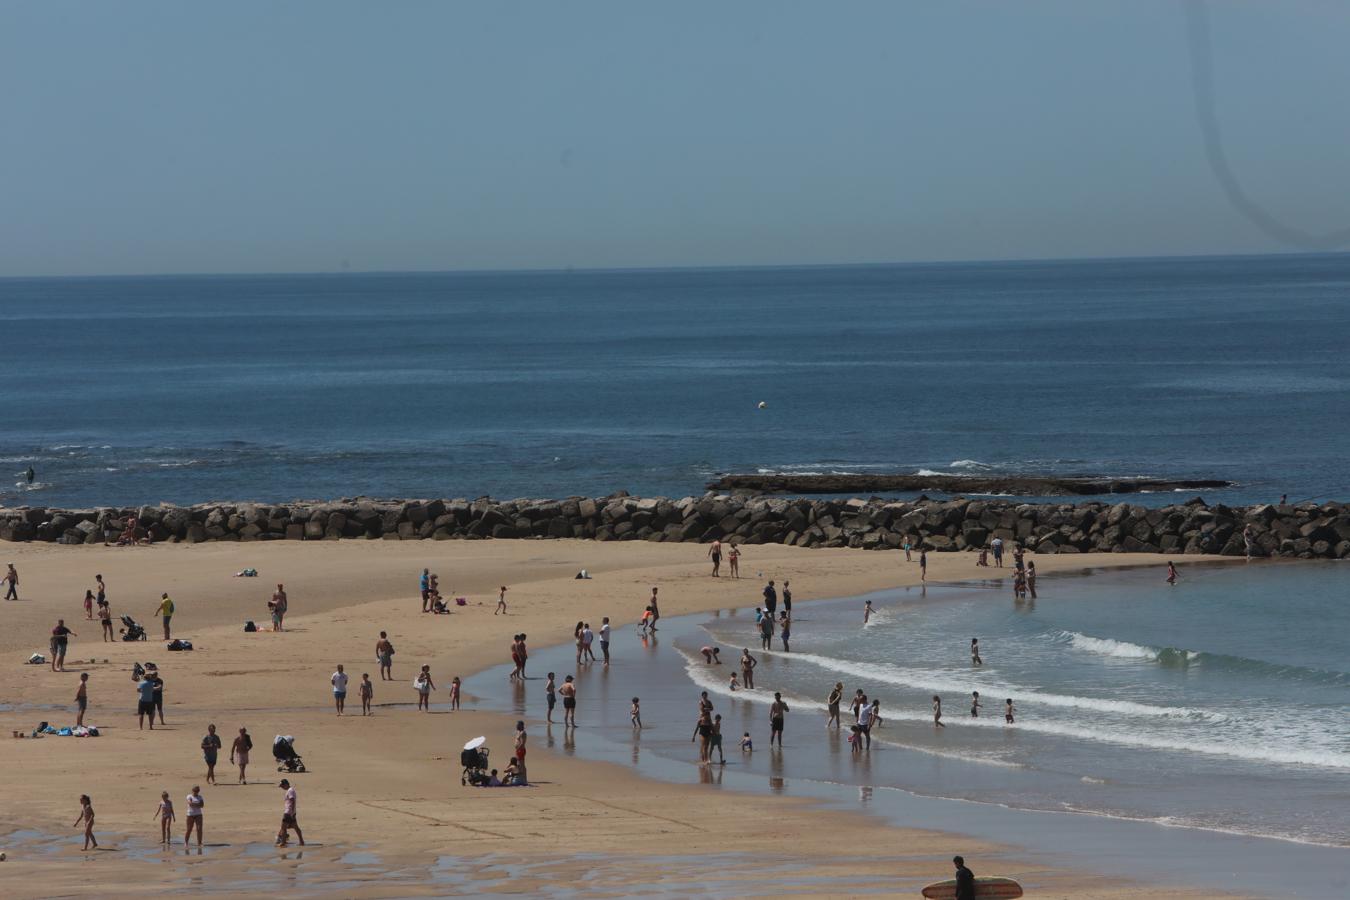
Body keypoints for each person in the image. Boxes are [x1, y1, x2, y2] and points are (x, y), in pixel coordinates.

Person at [276, 779, 304, 846]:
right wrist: (293, 812)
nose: (282, 787)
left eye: (282, 786)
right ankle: (301, 841)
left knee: (283, 828)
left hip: (288, 812)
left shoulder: (290, 791)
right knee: (296, 827)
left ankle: (283, 843)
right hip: (291, 812)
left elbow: (292, 801)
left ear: (286, 784)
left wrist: (291, 812)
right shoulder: (290, 790)